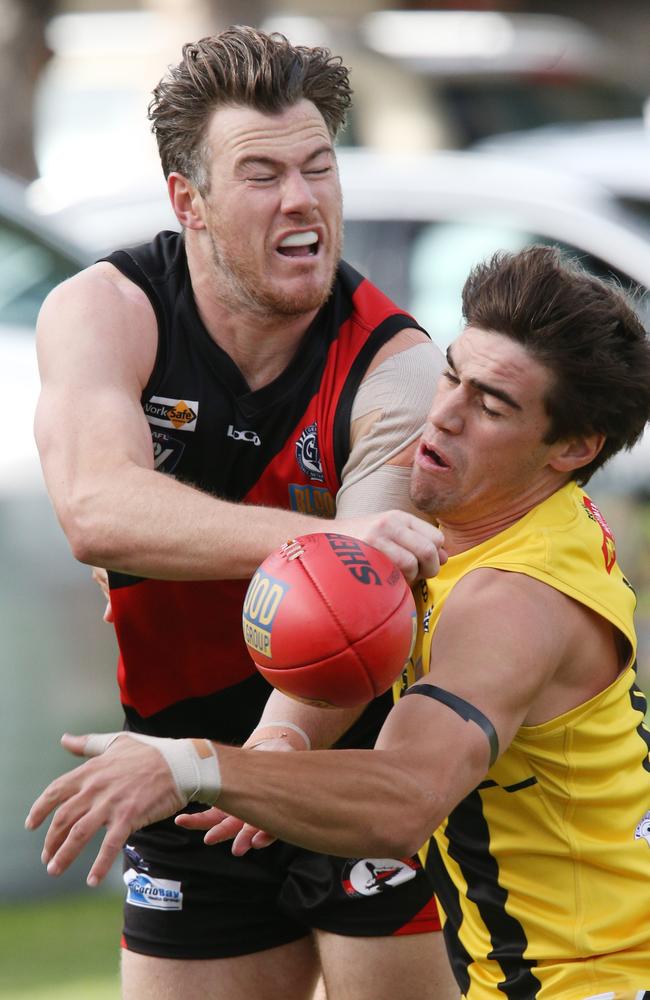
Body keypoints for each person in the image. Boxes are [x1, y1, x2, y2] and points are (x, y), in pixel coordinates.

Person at [28, 245, 650, 998]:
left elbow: (403, 798)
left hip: (592, 980)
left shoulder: (510, 600)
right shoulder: (488, 516)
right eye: (452, 373)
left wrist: (190, 765)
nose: (443, 414)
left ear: (574, 449)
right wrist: (284, 738)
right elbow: (362, 619)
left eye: (490, 406)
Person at [30, 24, 458, 1000]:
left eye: (317, 166)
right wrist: (326, 540)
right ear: (190, 200)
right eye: (261, 173)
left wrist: (264, 758)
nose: (302, 198)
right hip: (180, 778)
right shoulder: (107, 310)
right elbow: (97, 511)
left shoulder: (392, 362)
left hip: (350, 775)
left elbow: (372, 597)